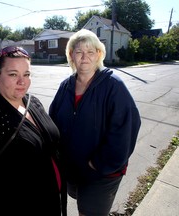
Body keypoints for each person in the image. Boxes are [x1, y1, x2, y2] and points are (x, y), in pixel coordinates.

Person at [0, 46, 67, 216]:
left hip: (53, 204)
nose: (22, 82)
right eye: (13, 74)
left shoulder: (33, 102)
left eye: (26, 74)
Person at [49, 29, 141, 216]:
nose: (85, 57)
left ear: (99, 54)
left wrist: (97, 163)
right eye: (79, 51)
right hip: (73, 169)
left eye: (90, 52)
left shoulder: (113, 85)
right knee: (79, 202)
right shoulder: (65, 86)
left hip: (102, 172)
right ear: (71, 55)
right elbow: (52, 122)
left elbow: (127, 128)